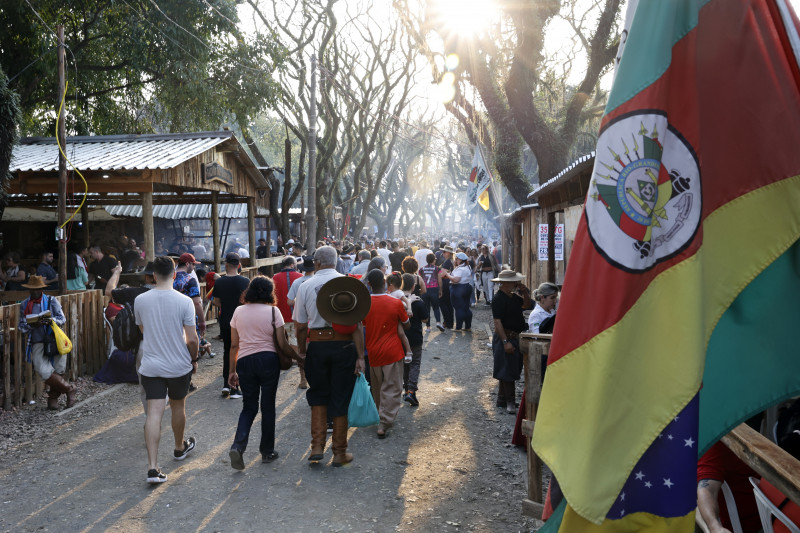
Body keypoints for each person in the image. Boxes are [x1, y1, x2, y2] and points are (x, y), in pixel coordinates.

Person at [293, 246, 367, 466]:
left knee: (318, 393)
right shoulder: (349, 285)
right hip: (344, 346)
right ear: (336, 262)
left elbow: (300, 326)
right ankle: (339, 452)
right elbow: (357, 325)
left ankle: (317, 446)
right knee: (341, 396)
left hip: (317, 346)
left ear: (316, 262)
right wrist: (360, 356)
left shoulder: (305, 285)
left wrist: (302, 351)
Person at [134, 256, 199, 484]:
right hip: (178, 364)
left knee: (154, 413)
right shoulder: (184, 301)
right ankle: (179, 447)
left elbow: (143, 330)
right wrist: (194, 359)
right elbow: (192, 339)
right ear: (174, 274)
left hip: (151, 365)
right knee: (178, 405)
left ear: (153, 275)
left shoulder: (140, 300)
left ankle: (152, 467)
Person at [227, 276, 299, 469]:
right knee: (267, 407)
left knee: (249, 407)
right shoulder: (274, 312)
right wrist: (298, 358)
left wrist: (232, 371)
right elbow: (282, 344)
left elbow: (234, 345)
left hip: (244, 362)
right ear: (270, 292)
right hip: (268, 361)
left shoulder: (238, 311)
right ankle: (267, 451)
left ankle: (238, 446)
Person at [363, 269, 410, 439]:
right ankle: (385, 421)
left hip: (373, 351)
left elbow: (363, 324)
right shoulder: (395, 303)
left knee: (378, 386)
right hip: (392, 351)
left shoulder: (365, 304)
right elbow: (406, 324)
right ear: (384, 283)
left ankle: (380, 414)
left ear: (369, 284)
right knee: (392, 387)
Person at [18, 275, 75, 409]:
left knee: (59, 368)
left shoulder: (51, 300)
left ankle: (52, 399)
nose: (35, 291)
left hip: (54, 339)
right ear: (29, 290)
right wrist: (32, 325)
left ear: (42, 289)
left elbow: (62, 319)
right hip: (37, 340)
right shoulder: (24, 304)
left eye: (37, 289)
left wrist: (51, 321)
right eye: (32, 289)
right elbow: (21, 326)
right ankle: (69, 389)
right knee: (42, 370)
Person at [697, 441, 761, 533]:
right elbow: (706, 490)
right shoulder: (715, 445)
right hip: (761, 523)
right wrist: (715, 527)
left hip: (770, 511)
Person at [490, 270, 531, 414]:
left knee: (509, 368)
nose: (517, 283)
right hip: (506, 337)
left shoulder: (513, 296)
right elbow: (497, 322)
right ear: (507, 283)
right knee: (507, 370)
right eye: (514, 281)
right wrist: (505, 341)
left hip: (514, 336)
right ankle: (510, 402)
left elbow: (526, 305)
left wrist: (524, 292)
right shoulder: (498, 298)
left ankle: (502, 400)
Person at [212, 253, 250, 399]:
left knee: (228, 350)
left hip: (226, 320)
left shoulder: (219, 282)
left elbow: (216, 302)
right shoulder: (245, 281)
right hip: (242, 320)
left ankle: (226, 384)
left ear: (226, 265)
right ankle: (236, 387)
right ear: (239, 265)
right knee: (240, 350)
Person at [173, 253, 207, 392]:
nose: (194, 267)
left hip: (171, 319)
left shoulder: (170, 278)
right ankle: (186, 381)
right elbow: (197, 302)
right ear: (187, 264)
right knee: (189, 348)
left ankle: (173, 380)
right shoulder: (190, 280)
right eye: (193, 264)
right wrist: (202, 321)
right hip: (188, 319)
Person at [273, 256, 305, 388]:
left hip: (280, 314)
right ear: (292, 264)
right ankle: (296, 360)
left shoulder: (274, 278)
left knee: (283, 338)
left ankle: (286, 359)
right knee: (296, 338)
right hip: (297, 315)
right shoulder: (300, 277)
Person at [401, 273, 427, 407]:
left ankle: (407, 390)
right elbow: (425, 319)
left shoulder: (397, 300)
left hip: (401, 337)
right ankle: (411, 391)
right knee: (415, 363)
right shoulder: (418, 301)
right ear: (413, 286)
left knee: (405, 364)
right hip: (415, 337)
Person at [442, 252, 473, 331]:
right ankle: (468, 326)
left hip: (458, 288)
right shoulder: (467, 266)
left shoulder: (460, 268)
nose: (455, 260)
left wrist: (447, 275)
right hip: (467, 286)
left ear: (460, 260)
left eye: (457, 259)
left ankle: (458, 327)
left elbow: (456, 280)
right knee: (466, 308)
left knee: (459, 308)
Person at [419, 253, 444, 331]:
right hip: (434, 289)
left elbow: (420, 280)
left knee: (427, 308)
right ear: (434, 260)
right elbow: (439, 280)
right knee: (436, 307)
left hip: (425, 289)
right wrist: (440, 290)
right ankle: (438, 322)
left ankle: (428, 327)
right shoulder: (437, 269)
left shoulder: (421, 269)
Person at [438, 245, 455, 328]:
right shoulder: (450, 261)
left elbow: (442, 274)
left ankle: (447, 321)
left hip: (445, 283)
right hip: (449, 283)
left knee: (443, 303)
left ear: (448, 253)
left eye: (444, 252)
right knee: (448, 304)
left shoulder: (447, 262)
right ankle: (449, 322)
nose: (443, 253)